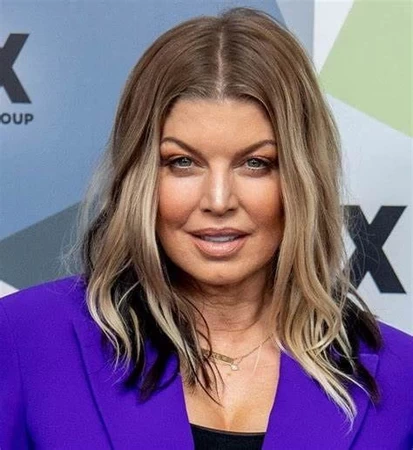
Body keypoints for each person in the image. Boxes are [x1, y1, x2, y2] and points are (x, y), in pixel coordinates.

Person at [1, 6, 412, 450]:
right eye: (183, 162)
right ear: (141, 175)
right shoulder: (24, 339)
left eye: (256, 163)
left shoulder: (401, 378)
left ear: (301, 178)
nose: (218, 201)